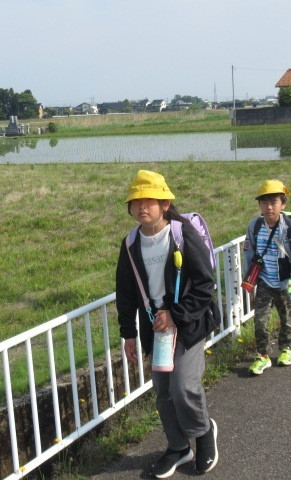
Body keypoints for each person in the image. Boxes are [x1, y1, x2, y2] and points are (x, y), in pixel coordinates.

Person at [116, 170, 218, 478]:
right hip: (156, 329)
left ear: (165, 204)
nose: (142, 207)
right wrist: (128, 334)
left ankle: (203, 434)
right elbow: (125, 292)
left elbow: (205, 284)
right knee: (163, 391)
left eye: (149, 200)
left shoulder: (182, 234)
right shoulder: (131, 243)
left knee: (183, 385)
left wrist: (176, 314)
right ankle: (178, 446)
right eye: (136, 201)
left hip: (188, 324)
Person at [242, 180, 291, 375]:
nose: (269, 207)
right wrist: (249, 282)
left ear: (283, 204)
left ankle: (286, 349)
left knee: (287, 318)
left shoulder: (289, 227)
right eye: (264, 203)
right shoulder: (254, 226)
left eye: (274, 202)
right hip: (264, 281)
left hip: (285, 282)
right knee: (260, 321)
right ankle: (262, 355)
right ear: (259, 205)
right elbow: (248, 255)